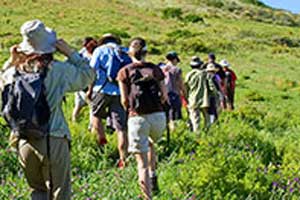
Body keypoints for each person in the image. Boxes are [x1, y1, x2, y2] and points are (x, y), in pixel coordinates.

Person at [0, 19, 95, 200]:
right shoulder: (57, 70)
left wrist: (11, 61)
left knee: (38, 192)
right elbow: (88, 76)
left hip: (23, 139)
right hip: (53, 137)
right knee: (60, 193)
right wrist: (71, 53)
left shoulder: (12, 73)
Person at [117, 37, 167, 200]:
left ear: (130, 53)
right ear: (146, 53)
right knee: (152, 143)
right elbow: (164, 96)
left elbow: (124, 100)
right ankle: (154, 176)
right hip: (158, 117)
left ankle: (147, 196)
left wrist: (130, 111)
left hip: (137, 117)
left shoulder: (125, 71)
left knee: (141, 163)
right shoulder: (155, 69)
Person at [87, 33, 131, 168]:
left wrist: (89, 90)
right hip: (120, 91)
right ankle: (123, 158)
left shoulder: (100, 50)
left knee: (96, 116)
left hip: (101, 89)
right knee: (121, 127)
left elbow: (92, 70)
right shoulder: (124, 51)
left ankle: (103, 147)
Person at [72, 37, 98, 126]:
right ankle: (75, 121)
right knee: (81, 105)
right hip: (82, 83)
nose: (87, 48)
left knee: (90, 106)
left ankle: (90, 126)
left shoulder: (96, 53)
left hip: (91, 83)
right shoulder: (81, 53)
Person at [185, 56, 212, 132]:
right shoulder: (205, 74)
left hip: (192, 99)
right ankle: (208, 132)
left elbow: (186, 88)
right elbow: (211, 87)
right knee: (207, 118)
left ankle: (197, 134)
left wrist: (187, 98)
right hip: (205, 99)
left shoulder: (188, 75)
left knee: (195, 119)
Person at [161, 51, 186, 131]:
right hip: (174, 94)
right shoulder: (177, 70)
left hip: (163, 94)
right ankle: (174, 132)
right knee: (174, 117)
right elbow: (180, 83)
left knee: (166, 115)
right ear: (174, 60)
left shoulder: (162, 69)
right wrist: (185, 93)